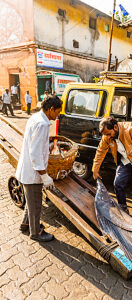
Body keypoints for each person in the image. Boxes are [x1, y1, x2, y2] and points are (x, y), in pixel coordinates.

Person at [16, 95, 63, 242]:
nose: (58, 115)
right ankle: (35, 233)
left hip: (27, 170)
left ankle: (25, 224)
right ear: (50, 109)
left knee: (31, 201)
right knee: (36, 204)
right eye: (57, 112)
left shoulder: (36, 117)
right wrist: (44, 176)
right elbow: (35, 153)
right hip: (33, 173)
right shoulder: (42, 124)